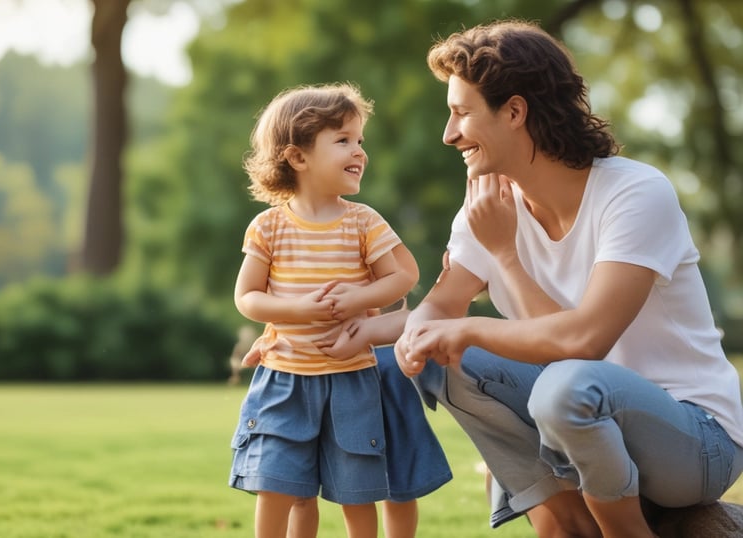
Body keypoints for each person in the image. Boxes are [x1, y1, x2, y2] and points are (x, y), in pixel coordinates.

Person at [330, 20, 743, 538]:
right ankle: (563, 522)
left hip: (695, 440)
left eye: (461, 113)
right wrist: (412, 335)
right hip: (580, 413)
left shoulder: (635, 195)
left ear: (515, 112)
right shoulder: (488, 208)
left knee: (563, 387)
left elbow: (582, 343)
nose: (449, 133)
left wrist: (503, 258)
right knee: (443, 361)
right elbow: (439, 309)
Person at [229, 82, 421, 538]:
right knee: (282, 486)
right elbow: (248, 297)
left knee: (357, 491)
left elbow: (404, 276)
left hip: (351, 379)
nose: (360, 151)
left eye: (360, 141)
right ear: (298, 157)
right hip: (284, 379)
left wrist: (356, 298)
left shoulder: (362, 221)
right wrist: (295, 308)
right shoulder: (269, 226)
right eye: (343, 140)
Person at [240, 244, 452, 538]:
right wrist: (274, 335)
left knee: (398, 480)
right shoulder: (294, 235)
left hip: (386, 363)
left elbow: (406, 287)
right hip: (328, 372)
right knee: (302, 485)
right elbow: (290, 299)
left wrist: (370, 315)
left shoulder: (365, 228)